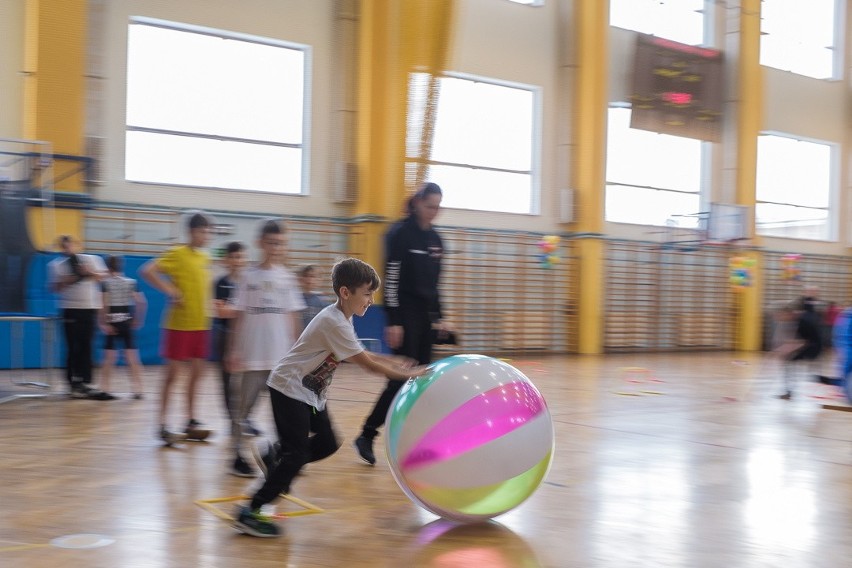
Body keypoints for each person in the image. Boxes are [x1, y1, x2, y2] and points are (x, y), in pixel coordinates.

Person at [234, 258, 429, 537]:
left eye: (373, 294)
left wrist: (396, 361)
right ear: (345, 293)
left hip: (310, 394)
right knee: (297, 454)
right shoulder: (332, 321)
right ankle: (251, 510)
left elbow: (366, 354)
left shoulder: (341, 319)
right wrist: (408, 374)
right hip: (289, 390)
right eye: (366, 293)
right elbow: (367, 364)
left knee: (327, 443)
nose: (371, 300)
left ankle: (275, 454)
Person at [354, 182, 450, 465]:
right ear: (418, 203)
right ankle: (367, 434)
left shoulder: (437, 241)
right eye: (430, 206)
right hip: (404, 316)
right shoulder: (399, 234)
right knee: (400, 378)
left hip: (425, 318)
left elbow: (435, 284)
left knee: (422, 381)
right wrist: (394, 321)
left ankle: (412, 441)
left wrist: (440, 315)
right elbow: (391, 279)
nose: (433, 212)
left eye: (437, 207)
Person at [225, 220, 305, 477]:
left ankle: (281, 455)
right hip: (252, 358)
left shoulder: (288, 279)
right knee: (242, 410)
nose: (275, 248)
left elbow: (293, 317)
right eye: (271, 242)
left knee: (284, 414)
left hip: (280, 360)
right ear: (260, 243)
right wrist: (233, 350)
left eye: (280, 243)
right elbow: (238, 315)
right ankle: (237, 455)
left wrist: (298, 353)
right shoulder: (248, 277)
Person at [140, 212, 214, 444]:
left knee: (197, 375)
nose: (206, 236)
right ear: (192, 232)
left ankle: (190, 420)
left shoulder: (205, 258)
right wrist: (169, 290)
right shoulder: (177, 253)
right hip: (179, 326)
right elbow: (147, 271)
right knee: (172, 376)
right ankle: (162, 424)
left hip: (201, 325)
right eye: (203, 231)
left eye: (209, 232)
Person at [48, 235, 110, 399]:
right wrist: (66, 281)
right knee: (72, 347)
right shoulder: (55, 265)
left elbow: (104, 277)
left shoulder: (93, 259)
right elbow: (53, 288)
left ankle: (87, 382)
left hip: (89, 308)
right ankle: (72, 383)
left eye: (70, 245)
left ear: (77, 245)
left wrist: (89, 272)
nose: (67, 249)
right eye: (63, 247)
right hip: (70, 309)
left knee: (87, 345)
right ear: (60, 248)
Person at [98, 255, 147, 400]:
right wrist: (138, 319)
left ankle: (105, 388)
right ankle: (138, 389)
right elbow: (142, 302)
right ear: (121, 266)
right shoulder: (131, 282)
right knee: (132, 357)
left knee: (109, 358)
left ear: (108, 267)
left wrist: (104, 322)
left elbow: (104, 304)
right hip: (126, 320)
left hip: (112, 321)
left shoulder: (105, 283)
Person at [211, 241, 247, 432]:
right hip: (224, 335)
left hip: (246, 337)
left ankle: (244, 417)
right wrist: (240, 310)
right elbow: (221, 312)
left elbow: (243, 312)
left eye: (240, 256)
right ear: (226, 260)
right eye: (233, 257)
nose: (237, 260)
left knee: (246, 380)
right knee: (226, 380)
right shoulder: (220, 283)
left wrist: (233, 310)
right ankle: (232, 419)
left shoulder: (249, 283)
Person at [777, 297, 823, 400]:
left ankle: (789, 392)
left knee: (790, 361)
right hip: (813, 346)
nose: (783, 318)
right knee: (790, 362)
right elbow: (798, 341)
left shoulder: (801, 322)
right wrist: (786, 349)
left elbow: (803, 342)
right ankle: (789, 391)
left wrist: (786, 350)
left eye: (784, 315)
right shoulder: (799, 321)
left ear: (790, 314)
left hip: (814, 347)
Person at [296, 264, 330, 329]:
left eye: (313, 276)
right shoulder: (295, 299)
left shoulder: (323, 300)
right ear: (300, 279)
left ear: (319, 280)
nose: (309, 279)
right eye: (305, 276)